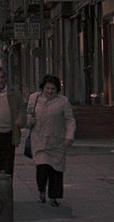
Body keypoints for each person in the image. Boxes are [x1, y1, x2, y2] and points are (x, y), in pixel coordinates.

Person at [27, 75, 76, 207]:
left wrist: (69, 136)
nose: (49, 91)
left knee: (56, 170)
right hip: (39, 140)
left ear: (57, 89)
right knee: (42, 167)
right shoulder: (34, 98)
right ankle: (41, 190)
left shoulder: (63, 101)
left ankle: (54, 196)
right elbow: (28, 114)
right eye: (47, 88)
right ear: (43, 88)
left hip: (57, 141)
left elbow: (70, 120)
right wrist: (29, 121)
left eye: (53, 89)